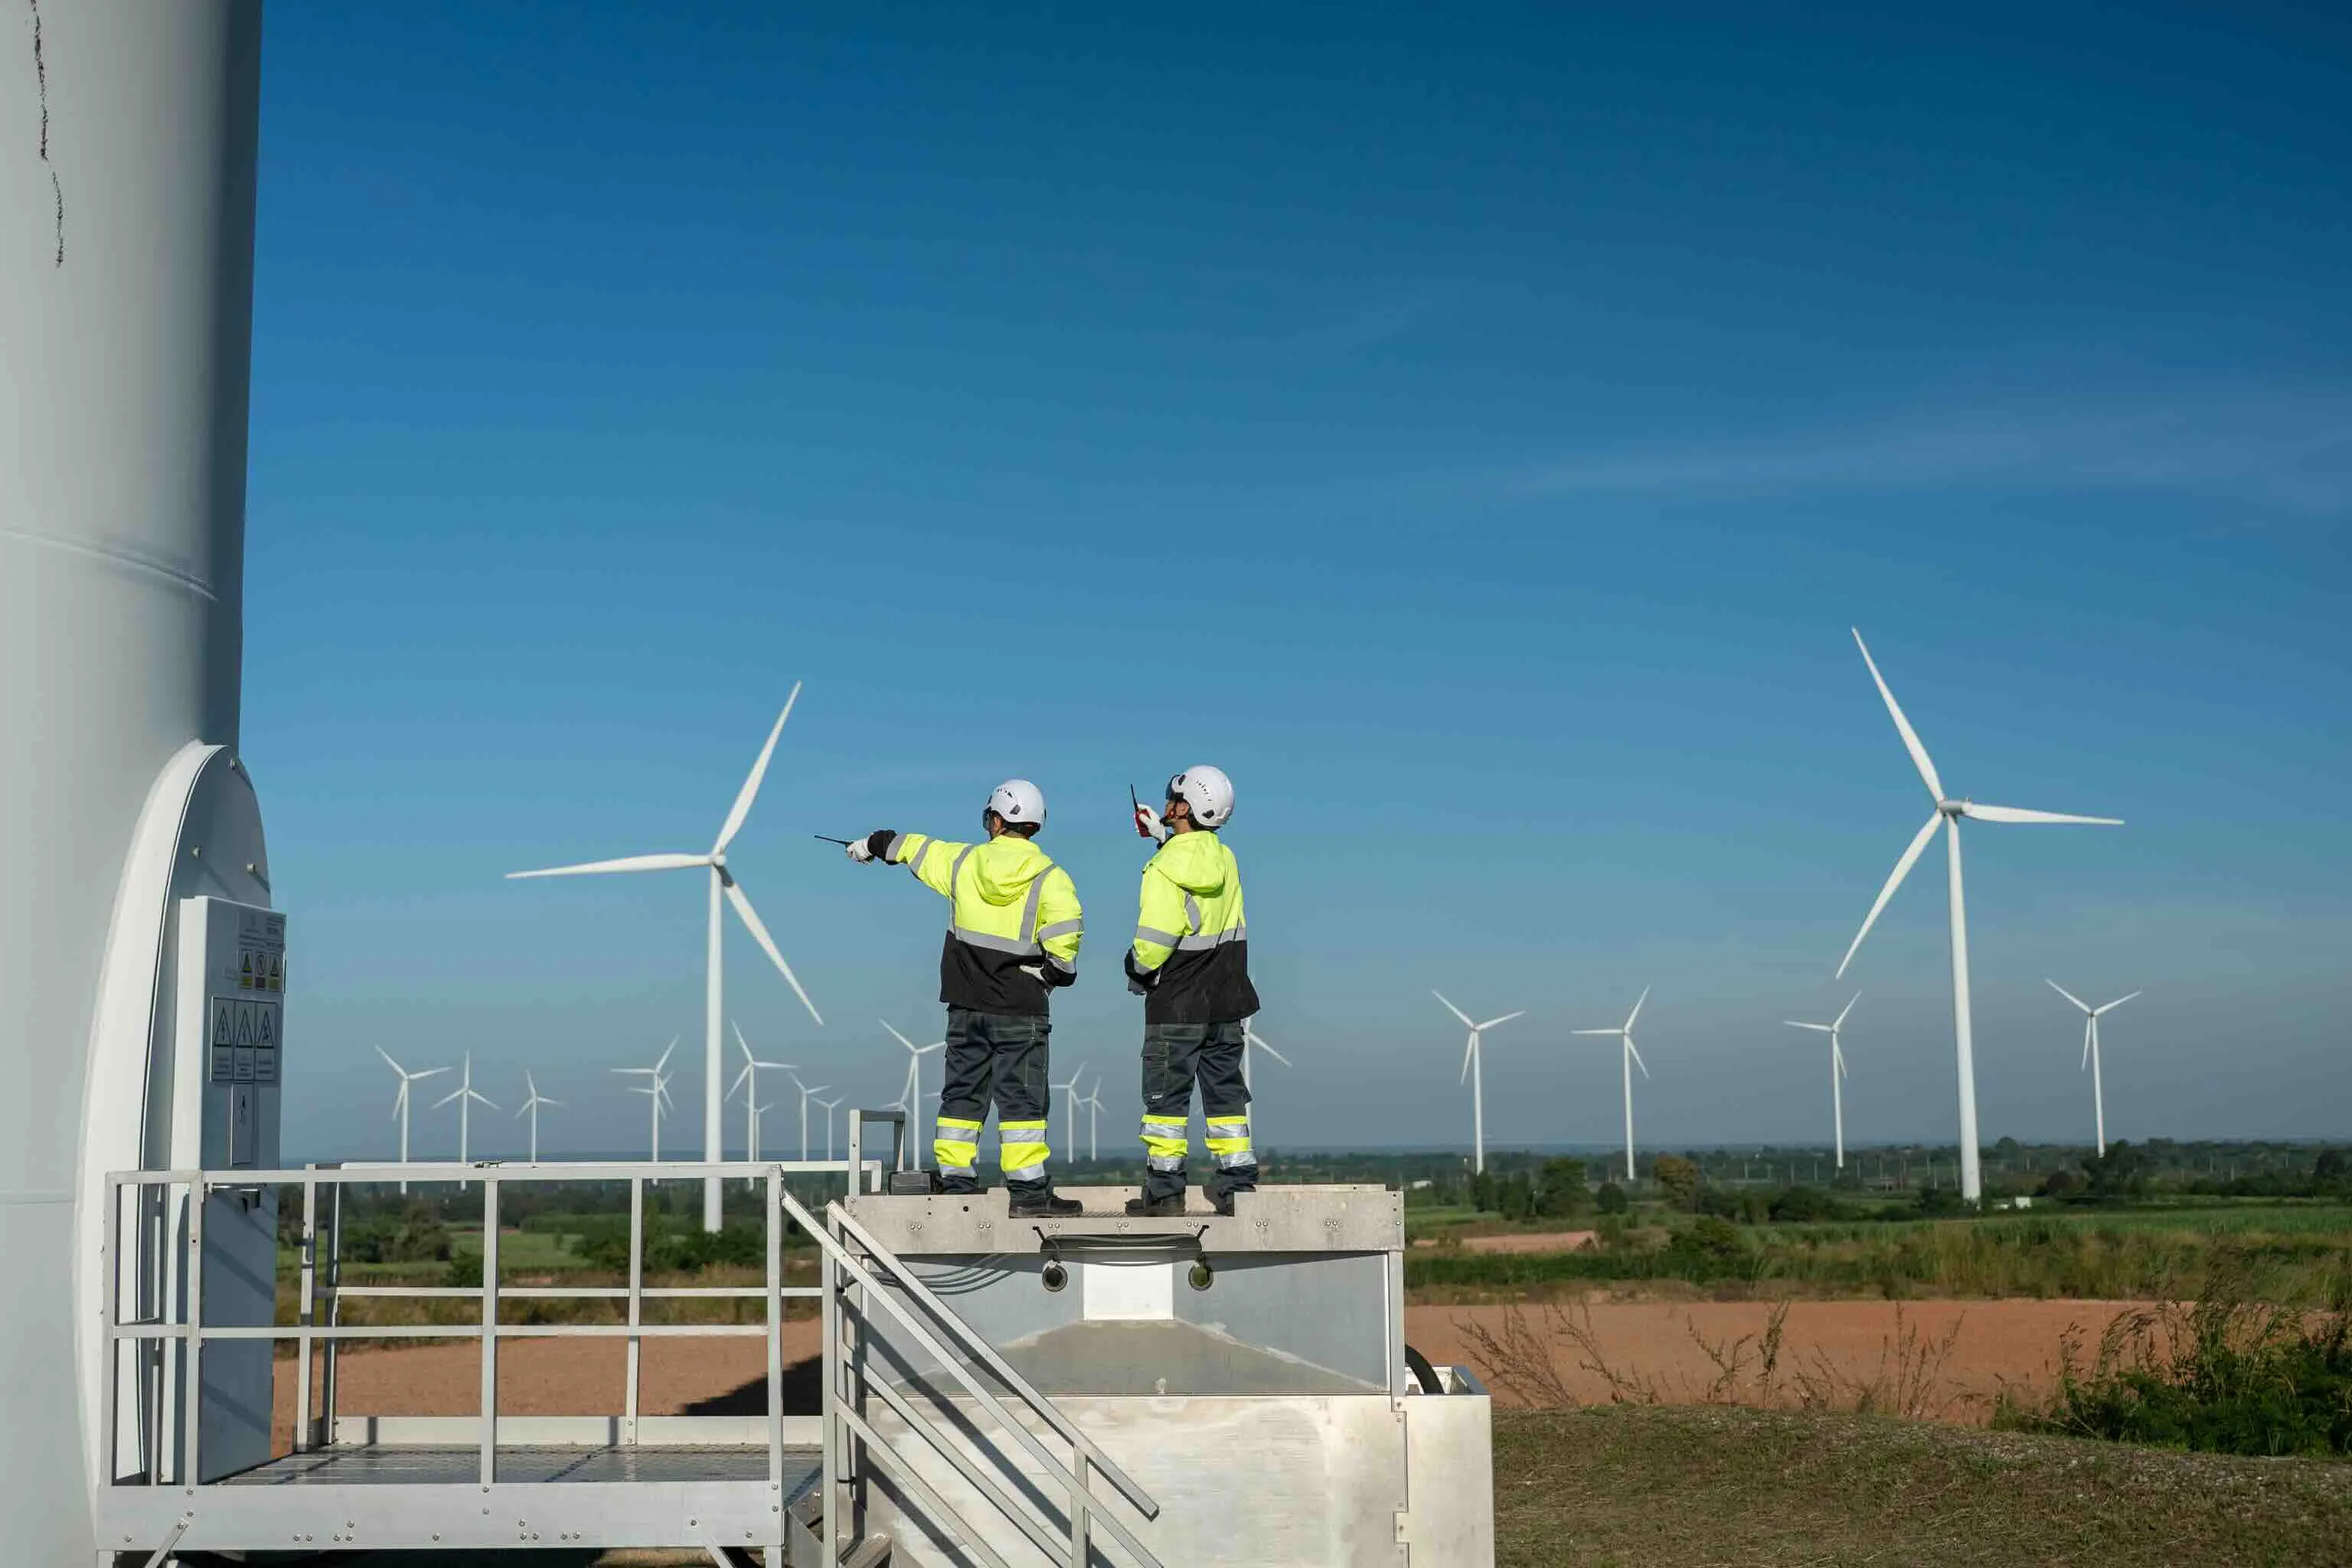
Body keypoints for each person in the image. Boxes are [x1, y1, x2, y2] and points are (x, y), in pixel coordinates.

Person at [846, 779, 1085, 1217]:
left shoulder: (961, 862)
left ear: (995, 820)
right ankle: (1029, 1195)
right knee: (1023, 1103)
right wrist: (1052, 975)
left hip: (966, 1007)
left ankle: (958, 1186)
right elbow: (1066, 939)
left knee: (962, 1097)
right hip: (1022, 1009)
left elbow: (908, 847)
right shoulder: (1052, 878)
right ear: (1034, 824)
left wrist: (868, 845)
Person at [1123, 765, 1260, 1217]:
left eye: (1172, 798)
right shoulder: (1226, 859)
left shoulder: (1165, 868)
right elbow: (1198, 873)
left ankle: (1164, 1194)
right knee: (1226, 1099)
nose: (1166, 803)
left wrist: (1135, 967)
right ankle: (1236, 1185)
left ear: (1187, 806)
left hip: (1176, 1005)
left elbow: (1155, 942)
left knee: (1165, 1105)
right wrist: (1165, 835)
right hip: (1226, 1003)